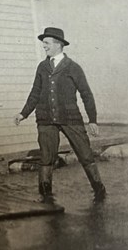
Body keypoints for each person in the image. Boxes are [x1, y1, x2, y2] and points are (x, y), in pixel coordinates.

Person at [14, 27, 107, 204]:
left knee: (85, 155)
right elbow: (35, 92)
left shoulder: (73, 68)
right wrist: (23, 113)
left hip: (70, 118)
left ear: (58, 44)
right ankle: (46, 198)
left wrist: (92, 120)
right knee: (46, 158)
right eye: (44, 43)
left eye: (47, 43)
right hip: (46, 119)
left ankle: (100, 193)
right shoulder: (42, 67)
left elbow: (86, 94)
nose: (44, 46)